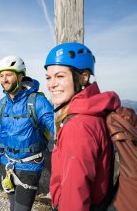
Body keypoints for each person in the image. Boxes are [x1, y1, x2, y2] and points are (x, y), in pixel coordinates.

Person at [44, 42, 120, 211]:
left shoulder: (79, 126)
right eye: (49, 77)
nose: (51, 84)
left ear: (83, 77)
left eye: (60, 76)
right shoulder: (94, 112)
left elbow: (75, 197)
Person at [0, 55, 54, 211]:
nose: (4, 79)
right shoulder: (1, 105)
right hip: (7, 165)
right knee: (13, 207)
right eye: (1, 75)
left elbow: (58, 130)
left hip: (30, 167)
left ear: (21, 76)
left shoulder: (37, 102)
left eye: (9, 74)